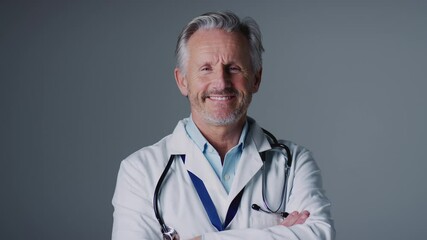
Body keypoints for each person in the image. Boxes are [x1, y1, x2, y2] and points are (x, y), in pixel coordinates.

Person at [112, 11, 335, 240]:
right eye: (206, 68)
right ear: (182, 81)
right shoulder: (139, 171)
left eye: (234, 68)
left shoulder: (295, 162)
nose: (220, 82)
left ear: (256, 79)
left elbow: (319, 234)